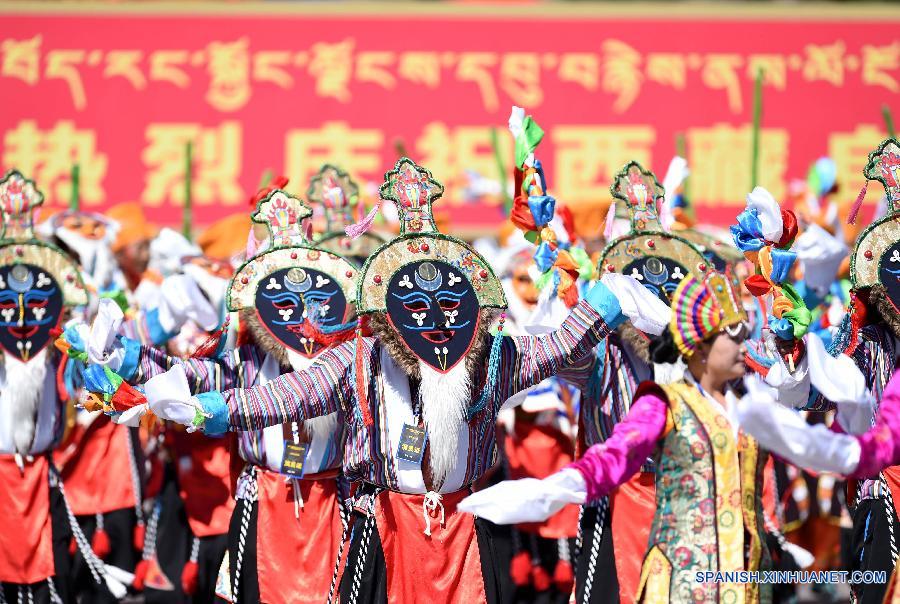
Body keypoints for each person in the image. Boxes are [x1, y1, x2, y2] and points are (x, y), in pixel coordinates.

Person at [105, 157, 670, 604]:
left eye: (452, 305)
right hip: (383, 530)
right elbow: (277, 397)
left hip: (469, 530)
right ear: (384, 314)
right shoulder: (358, 360)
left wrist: (607, 297)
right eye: (415, 307)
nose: (437, 322)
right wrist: (200, 410)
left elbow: (561, 345)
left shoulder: (491, 357)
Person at [460, 262, 781, 603]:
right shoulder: (628, 370)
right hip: (627, 506)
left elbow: (795, 417)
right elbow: (616, 448)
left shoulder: (732, 387)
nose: (744, 348)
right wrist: (552, 491)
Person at [0, 171, 88, 603]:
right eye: (6, 307)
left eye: (35, 304)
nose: (19, 318)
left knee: (52, 583)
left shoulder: (60, 350)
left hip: (41, 477)